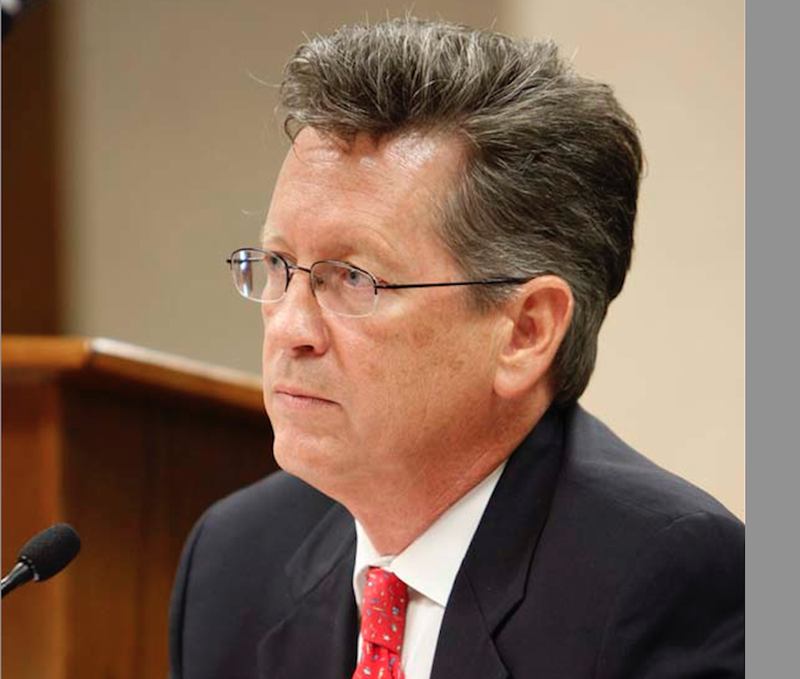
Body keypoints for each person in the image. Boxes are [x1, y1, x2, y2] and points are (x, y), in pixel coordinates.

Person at [169, 17, 744, 679]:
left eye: (353, 277)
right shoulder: (235, 561)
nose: (290, 327)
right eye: (277, 263)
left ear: (525, 331)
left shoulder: (666, 583)